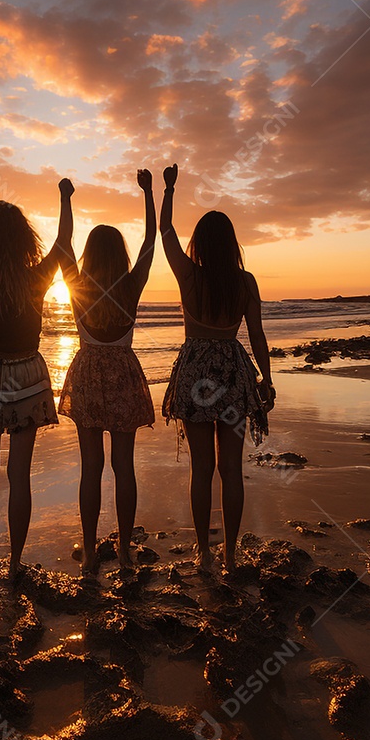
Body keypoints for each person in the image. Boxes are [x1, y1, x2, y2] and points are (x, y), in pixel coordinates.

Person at [0, 180, 73, 580]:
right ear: (23, 238)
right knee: (19, 475)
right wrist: (64, 198)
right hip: (27, 375)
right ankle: (16, 564)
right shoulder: (35, 277)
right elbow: (63, 240)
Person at [158, 163, 274, 573]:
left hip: (194, 376)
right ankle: (229, 553)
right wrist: (268, 380)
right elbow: (257, 336)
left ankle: (205, 554)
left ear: (201, 245)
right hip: (231, 374)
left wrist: (168, 189)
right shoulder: (246, 282)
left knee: (202, 469)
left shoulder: (189, 275)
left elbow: (164, 231)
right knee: (231, 470)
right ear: (232, 244)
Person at [58, 170, 156, 575]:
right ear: (120, 255)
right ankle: (125, 550)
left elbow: (63, 243)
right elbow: (151, 241)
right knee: (124, 466)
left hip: (87, 375)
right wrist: (150, 193)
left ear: (90, 255)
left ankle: (92, 548)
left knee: (91, 468)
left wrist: (66, 198)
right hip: (123, 375)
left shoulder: (77, 283)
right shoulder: (132, 285)